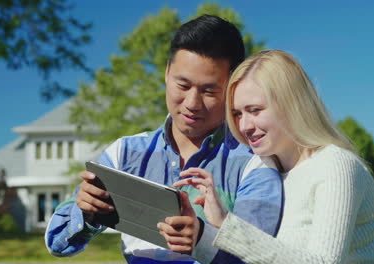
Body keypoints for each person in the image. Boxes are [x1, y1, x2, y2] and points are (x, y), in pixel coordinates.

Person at [45, 15, 283, 264]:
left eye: (209, 91)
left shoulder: (255, 163)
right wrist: (86, 214)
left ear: (233, 88)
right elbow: (57, 243)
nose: (192, 103)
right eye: (183, 85)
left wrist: (203, 238)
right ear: (167, 73)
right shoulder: (125, 153)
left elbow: (261, 256)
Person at [159, 50, 374, 263]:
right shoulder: (269, 170)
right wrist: (200, 233)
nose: (244, 126)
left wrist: (227, 224)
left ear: (291, 104)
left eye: (255, 110)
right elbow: (267, 255)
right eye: (237, 114)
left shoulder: (335, 165)